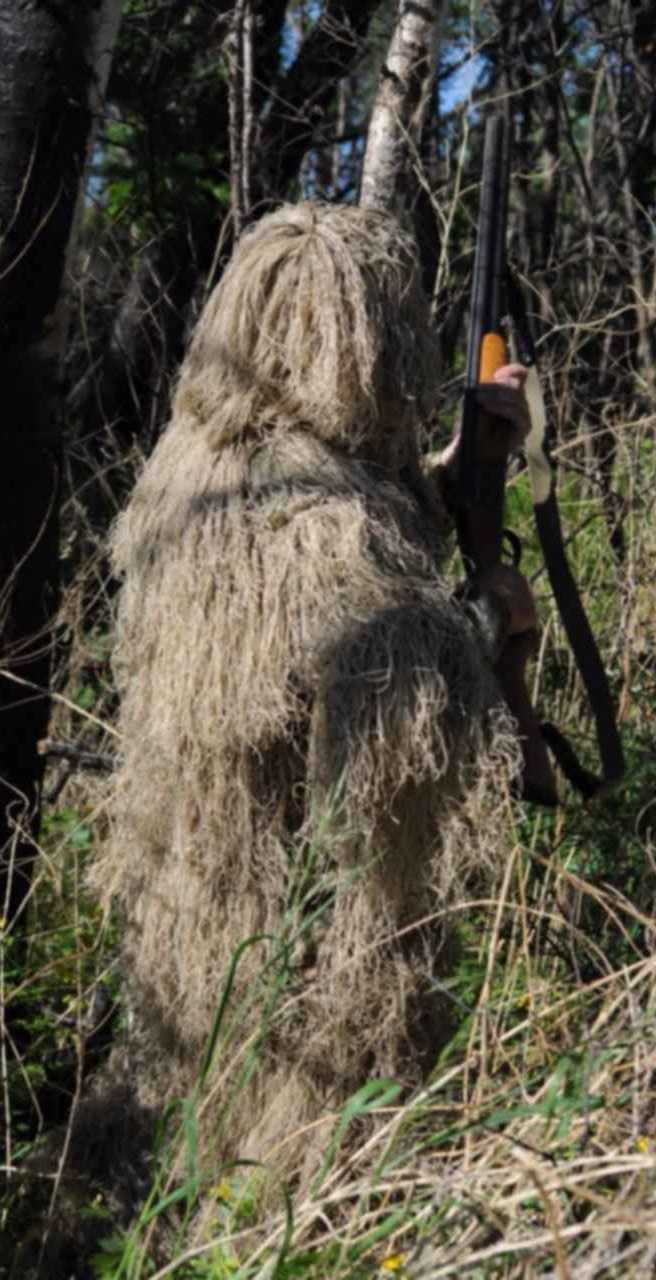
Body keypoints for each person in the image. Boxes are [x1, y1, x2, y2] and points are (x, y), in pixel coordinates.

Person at [90, 202, 542, 1182]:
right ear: (356, 339)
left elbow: (365, 539)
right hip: (292, 928)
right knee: (284, 1158)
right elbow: (385, 685)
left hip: (240, 899)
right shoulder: (285, 503)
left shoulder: (213, 466)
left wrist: (468, 462)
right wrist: (485, 618)